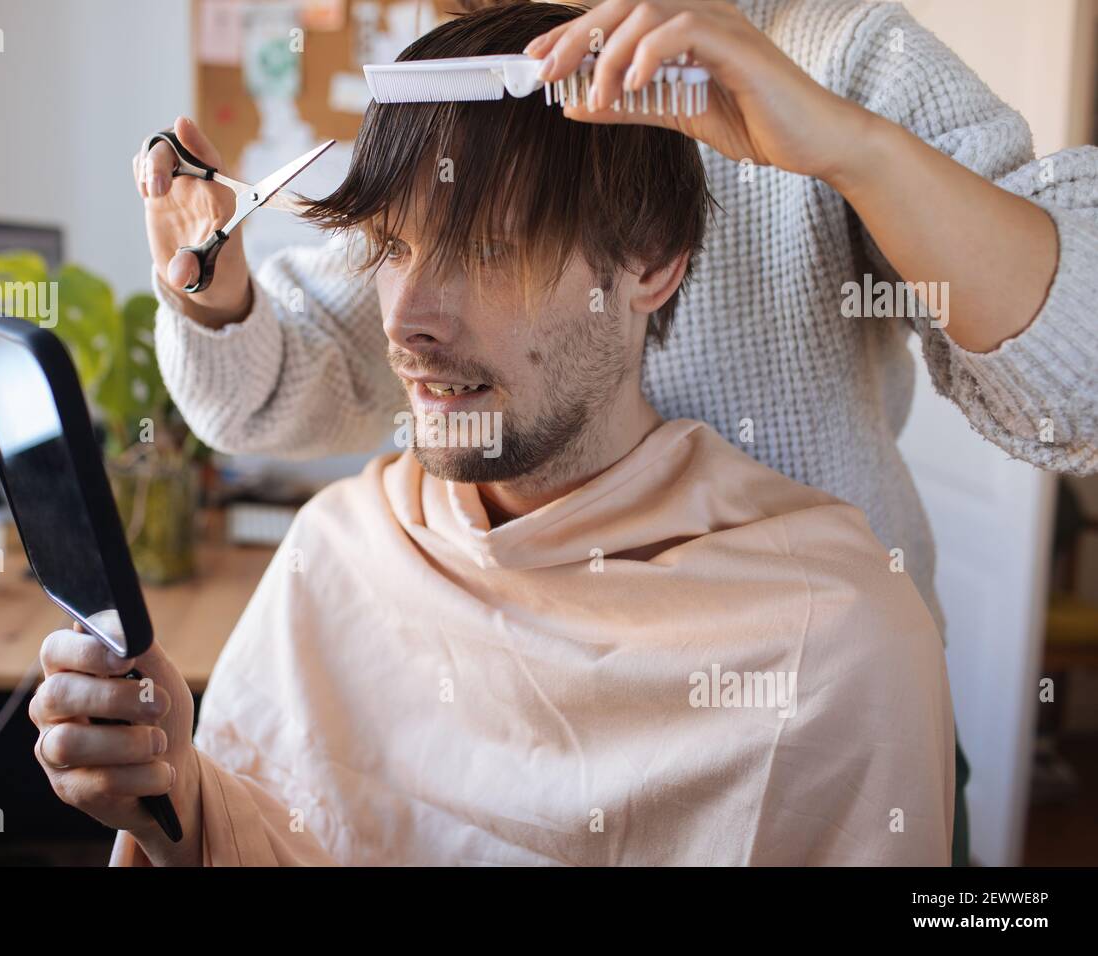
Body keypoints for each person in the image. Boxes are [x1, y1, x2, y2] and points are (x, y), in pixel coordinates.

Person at [133, 0, 1098, 865]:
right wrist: (214, 298)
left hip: (807, 712)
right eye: (393, 247)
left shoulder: (843, 55)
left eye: (493, 247)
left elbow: (1080, 378)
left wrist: (853, 147)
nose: (408, 316)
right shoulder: (479, 86)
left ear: (655, 264)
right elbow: (295, 383)